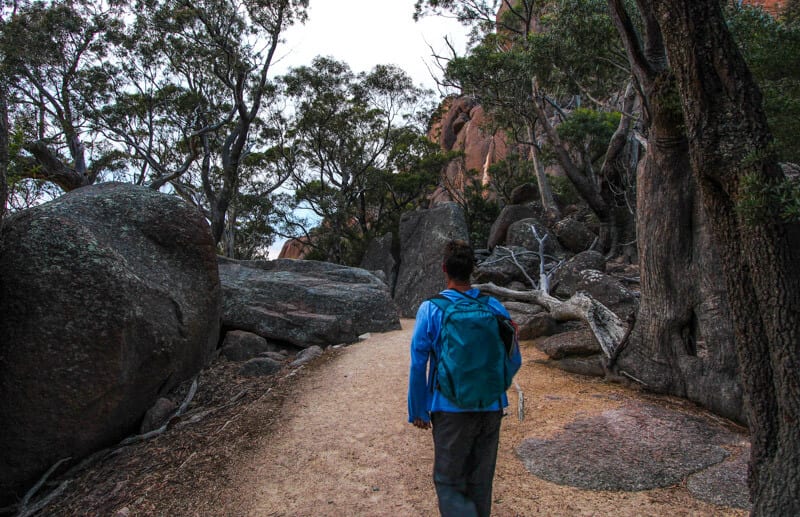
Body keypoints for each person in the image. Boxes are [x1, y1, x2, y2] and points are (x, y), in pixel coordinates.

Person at [407, 240, 522, 517]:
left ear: (444, 269)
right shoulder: (494, 306)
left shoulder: (431, 309)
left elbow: (418, 362)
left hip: (449, 410)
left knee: (450, 481)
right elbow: (514, 358)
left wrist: (418, 410)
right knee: (480, 482)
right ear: (473, 269)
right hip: (491, 408)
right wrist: (496, 390)